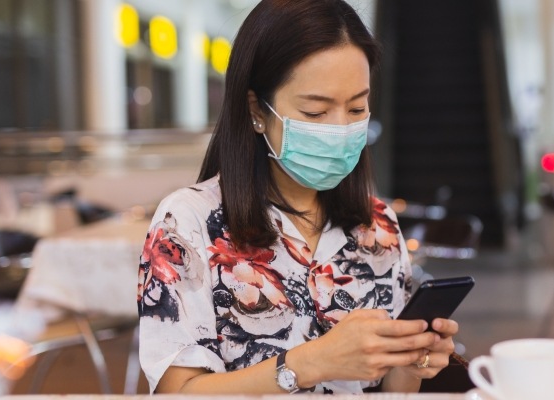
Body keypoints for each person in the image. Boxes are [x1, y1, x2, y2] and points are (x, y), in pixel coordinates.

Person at [137, 0, 460, 394]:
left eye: (357, 107)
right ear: (258, 109)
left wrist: (412, 365)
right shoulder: (188, 224)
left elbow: (385, 390)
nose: (341, 129)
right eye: (315, 112)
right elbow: (178, 393)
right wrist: (310, 363)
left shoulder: (378, 228)